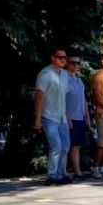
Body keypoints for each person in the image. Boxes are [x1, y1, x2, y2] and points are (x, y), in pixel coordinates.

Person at [33, 47, 71, 186]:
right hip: (49, 116)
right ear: (53, 58)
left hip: (62, 117)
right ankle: (51, 176)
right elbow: (39, 96)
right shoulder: (46, 74)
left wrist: (67, 116)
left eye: (65, 58)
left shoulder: (65, 75)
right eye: (60, 57)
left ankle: (60, 175)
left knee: (65, 146)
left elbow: (63, 97)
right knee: (56, 146)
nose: (63, 60)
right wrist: (38, 118)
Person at [65, 53, 91, 180]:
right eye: (73, 63)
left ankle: (77, 171)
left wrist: (87, 117)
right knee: (67, 146)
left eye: (78, 63)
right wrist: (67, 117)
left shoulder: (79, 80)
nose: (76, 65)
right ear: (67, 63)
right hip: (69, 118)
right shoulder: (64, 79)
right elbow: (61, 99)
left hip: (80, 117)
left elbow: (83, 100)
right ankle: (63, 172)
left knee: (77, 146)